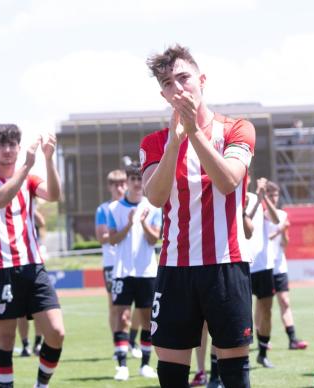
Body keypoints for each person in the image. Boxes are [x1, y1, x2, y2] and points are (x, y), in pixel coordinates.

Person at [140, 44, 255, 388]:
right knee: (172, 375)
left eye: (183, 78)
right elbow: (156, 197)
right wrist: (175, 143)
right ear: (163, 94)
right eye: (168, 83)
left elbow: (228, 180)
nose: (178, 88)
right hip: (175, 268)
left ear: (201, 80)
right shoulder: (154, 142)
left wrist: (193, 132)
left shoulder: (237, 129)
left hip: (226, 265)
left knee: (234, 374)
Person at [0, 124, 64, 388]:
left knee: (56, 333)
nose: (9, 150)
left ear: (18, 147)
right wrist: (26, 166)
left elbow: (55, 195)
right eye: (3, 144)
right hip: (1, 270)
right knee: (5, 340)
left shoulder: (31, 181)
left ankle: (41, 385)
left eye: (13, 144)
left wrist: (48, 159)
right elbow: (0, 199)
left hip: (33, 267)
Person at [107, 162, 161, 381]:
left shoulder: (154, 206)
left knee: (147, 318)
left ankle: (145, 364)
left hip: (147, 271)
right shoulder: (114, 208)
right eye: (133, 179)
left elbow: (153, 238)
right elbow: (112, 239)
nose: (137, 183)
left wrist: (143, 222)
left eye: (140, 179)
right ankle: (121, 365)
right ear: (127, 182)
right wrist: (129, 225)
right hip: (123, 271)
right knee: (122, 316)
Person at [95, 169, 143, 359]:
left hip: (135, 263)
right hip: (112, 264)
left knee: (140, 307)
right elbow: (102, 237)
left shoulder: (137, 205)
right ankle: (119, 343)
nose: (120, 187)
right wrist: (121, 231)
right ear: (109, 187)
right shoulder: (104, 209)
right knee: (115, 307)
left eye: (122, 183)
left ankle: (132, 340)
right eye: (115, 184)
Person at [265, 182, 309, 351]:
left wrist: (282, 232)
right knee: (264, 306)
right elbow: (265, 238)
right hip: (264, 266)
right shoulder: (261, 214)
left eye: (275, 195)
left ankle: (292, 338)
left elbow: (285, 242)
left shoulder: (283, 215)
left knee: (284, 301)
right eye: (270, 195)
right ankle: (263, 338)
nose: (273, 198)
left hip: (279, 265)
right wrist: (278, 230)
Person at [245, 176, 279, 368]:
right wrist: (257, 200)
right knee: (243, 312)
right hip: (241, 264)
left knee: (266, 310)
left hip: (263, 265)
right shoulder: (236, 199)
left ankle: (263, 353)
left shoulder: (259, 198)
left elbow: (274, 219)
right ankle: (243, 354)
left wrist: (263, 198)